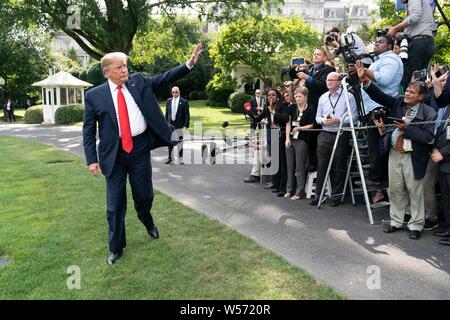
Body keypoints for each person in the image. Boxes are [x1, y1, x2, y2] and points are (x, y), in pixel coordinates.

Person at [82, 44, 202, 265]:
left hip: (138, 149)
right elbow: (88, 131)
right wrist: (91, 160)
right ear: (107, 72)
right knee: (115, 204)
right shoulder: (93, 96)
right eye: (119, 68)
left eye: (125, 66)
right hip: (114, 155)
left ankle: (147, 221)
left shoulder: (138, 81)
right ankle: (116, 247)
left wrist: (189, 64)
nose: (124, 71)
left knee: (144, 196)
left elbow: (165, 77)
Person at [358, 65, 436, 240]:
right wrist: (365, 80)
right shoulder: (398, 102)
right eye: (407, 90)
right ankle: (396, 221)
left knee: (414, 191)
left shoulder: (429, 113)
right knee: (395, 189)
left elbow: (428, 138)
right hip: (394, 153)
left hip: (414, 156)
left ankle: (416, 225)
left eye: (412, 92)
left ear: (421, 97)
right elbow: (380, 96)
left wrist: (407, 129)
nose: (407, 94)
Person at [357, 35, 404, 203]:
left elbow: (384, 79)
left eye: (381, 42)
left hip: (382, 110)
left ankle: (384, 188)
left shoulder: (391, 59)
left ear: (390, 45)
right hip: (371, 110)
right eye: (375, 41)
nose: (376, 43)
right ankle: (380, 190)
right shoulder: (377, 60)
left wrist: (363, 71)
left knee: (380, 151)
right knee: (374, 151)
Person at [310, 72, 358, 207]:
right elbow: (317, 116)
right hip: (325, 133)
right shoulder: (323, 97)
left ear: (339, 82)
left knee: (338, 165)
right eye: (327, 80)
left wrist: (339, 120)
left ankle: (336, 196)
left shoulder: (349, 97)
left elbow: (354, 117)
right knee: (322, 165)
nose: (329, 82)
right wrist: (323, 120)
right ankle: (319, 195)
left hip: (341, 133)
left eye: (332, 80)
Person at [387, 0, 436, 88]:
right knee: (419, 80)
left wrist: (395, 28)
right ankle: (418, 100)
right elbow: (412, 31)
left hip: (419, 43)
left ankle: (406, 101)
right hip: (425, 42)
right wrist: (396, 33)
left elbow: (414, 17)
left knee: (410, 79)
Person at [253, 88, 289, 197]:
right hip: (271, 134)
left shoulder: (282, 105)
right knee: (274, 159)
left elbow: (285, 119)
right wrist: (250, 114)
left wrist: (273, 112)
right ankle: (275, 183)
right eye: (269, 95)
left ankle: (281, 187)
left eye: (273, 95)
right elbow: (259, 117)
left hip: (280, 134)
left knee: (280, 160)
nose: (270, 97)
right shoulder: (267, 106)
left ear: (277, 96)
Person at [285, 87, 315, 200]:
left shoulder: (311, 108)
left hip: (302, 139)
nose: (298, 99)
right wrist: (287, 138)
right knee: (289, 165)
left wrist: (300, 128)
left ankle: (299, 191)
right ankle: (289, 190)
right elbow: (288, 123)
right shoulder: (292, 107)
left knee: (299, 166)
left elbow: (311, 125)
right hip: (291, 138)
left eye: (300, 97)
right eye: (296, 96)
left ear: (305, 96)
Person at [432, 67, 450, 245]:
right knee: (446, 197)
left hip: (447, 158)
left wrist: (442, 153)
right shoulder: (447, 107)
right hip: (444, 161)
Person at [165, 86, 190, 165]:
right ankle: (170, 158)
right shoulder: (168, 101)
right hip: (170, 125)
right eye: (173, 92)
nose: (174, 93)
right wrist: (165, 124)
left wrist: (185, 126)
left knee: (179, 142)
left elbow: (187, 115)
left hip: (180, 125)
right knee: (169, 142)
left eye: (176, 92)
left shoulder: (184, 102)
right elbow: (167, 114)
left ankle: (180, 158)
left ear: (179, 92)